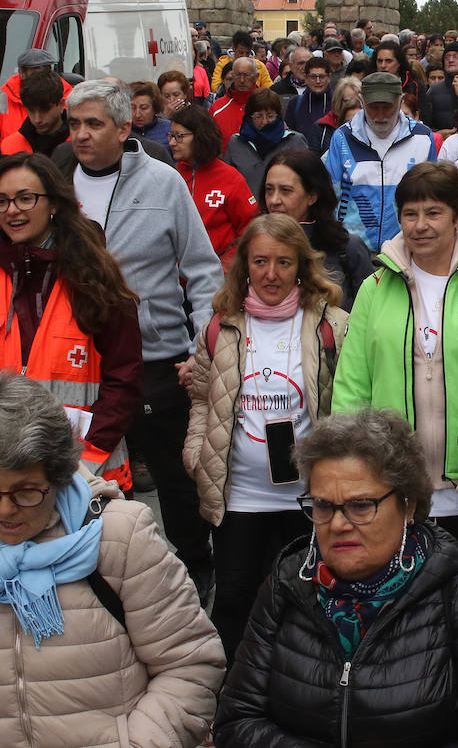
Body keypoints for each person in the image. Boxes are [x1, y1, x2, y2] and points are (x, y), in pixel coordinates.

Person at [0, 374, 225, 747]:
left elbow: (188, 664)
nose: (6, 510)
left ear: (59, 475)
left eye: (26, 491)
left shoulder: (120, 538)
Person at [213, 410, 458, 746]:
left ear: (408, 507)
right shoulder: (286, 585)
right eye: (323, 506)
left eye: (361, 506)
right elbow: (236, 721)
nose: (338, 524)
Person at [58, 79, 222, 601]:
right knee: (83, 471)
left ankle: (197, 565)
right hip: (77, 361)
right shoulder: (55, 181)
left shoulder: (163, 183)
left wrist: (204, 349)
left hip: (157, 358)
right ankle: (92, 573)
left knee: (176, 479)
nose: (80, 135)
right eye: (74, 124)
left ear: (125, 127)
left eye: (93, 124)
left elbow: (201, 271)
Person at [332, 162, 458, 567]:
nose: (420, 225)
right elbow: (352, 387)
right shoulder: (374, 289)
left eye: (433, 212)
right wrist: (351, 475)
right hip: (392, 488)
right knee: (397, 607)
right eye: (410, 213)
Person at [184, 213, 348, 664]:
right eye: (260, 262)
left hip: (307, 496)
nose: (271, 274)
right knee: (234, 602)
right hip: (240, 495)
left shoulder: (332, 326)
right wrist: (196, 453)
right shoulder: (221, 327)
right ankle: (228, 701)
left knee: (308, 600)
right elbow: (201, 398)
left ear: (301, 265)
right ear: (244, 266)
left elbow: (348, 403)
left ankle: (304, 692)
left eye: (283, 261)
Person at [0, 152, 142, 497]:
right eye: (1, 201)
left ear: (53, 203)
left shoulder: (96, 280)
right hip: (4, 477)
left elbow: (124, 380)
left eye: (26, 198)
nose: (12, 210)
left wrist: (83, 461)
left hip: (87, 473)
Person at [325, 72, 440, 250]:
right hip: (354, 249)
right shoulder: (342, 137)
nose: (380, 115)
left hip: (406, 248)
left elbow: (433, 195)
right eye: (373, 107)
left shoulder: (422, 136)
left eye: (387, 107)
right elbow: (330, 196)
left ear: (400, 101)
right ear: (362, 102)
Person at [264, 150, 374, 311]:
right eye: (269, 190)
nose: (274, 200)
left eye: (286, 190)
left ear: (312, 196)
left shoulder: (347, 249)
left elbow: (369, 313)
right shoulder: (254, 247)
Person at [169, 104, 260, 267]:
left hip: (220, 274)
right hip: (177, 278)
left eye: (179, 136)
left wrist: (230, 264)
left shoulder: (230, 178)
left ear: (199, 136)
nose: (171, 142)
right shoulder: (171, 177)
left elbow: (250, 227)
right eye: (171, 136)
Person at [0, 48, 73, 165]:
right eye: (34, 71)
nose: (37, 119)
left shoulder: (72, 98)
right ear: (21, 72)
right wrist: (8, 159)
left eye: (44, 71)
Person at [223, 88, 308, 197]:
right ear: (249, 117)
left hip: (283, 210)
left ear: (278, 116)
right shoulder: (236, 142)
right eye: (258, 116)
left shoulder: (295, 140)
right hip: (246, 210)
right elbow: (227, 182)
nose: (264, 122)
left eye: (270, 116)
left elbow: (306, 180)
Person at [0, 69, 69, 158]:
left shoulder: (80, 143)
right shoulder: (9, 147)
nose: (37, 119)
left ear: (61, 104)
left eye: (44, 110)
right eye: (31, 110)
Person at [283, 56, 334, 152]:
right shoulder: (295, 103)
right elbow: (289, 137)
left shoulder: (337, 103)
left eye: (322, 77)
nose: (318, 81)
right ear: (306, 78)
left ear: (329, 77)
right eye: (313, 77)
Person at [208, 55, 261, 139]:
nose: (242, 80)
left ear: (256, 77)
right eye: (238, 75)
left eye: (246, 75)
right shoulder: (217, 107)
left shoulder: (266, 104)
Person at [129, 81, 172, 149]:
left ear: (155, 108)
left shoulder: (170, 129)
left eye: (144, 108)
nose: (137, 114)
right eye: (132, 108)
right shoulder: (123, 131)